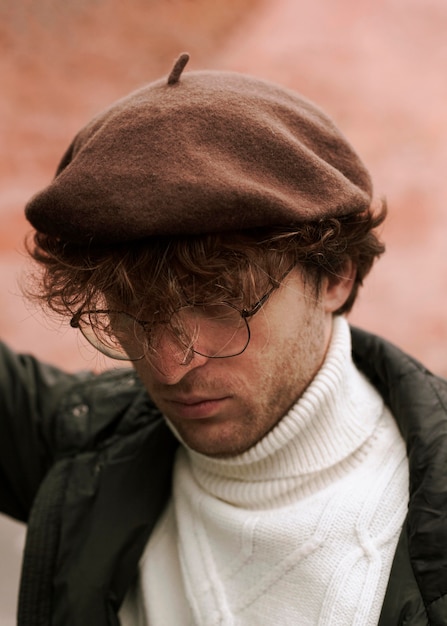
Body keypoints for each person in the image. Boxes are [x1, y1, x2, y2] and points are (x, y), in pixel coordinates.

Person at [2, 52, 446, 626]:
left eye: (219, 305)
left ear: (336, 275)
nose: (167, 367)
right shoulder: (83, 445)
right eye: (132, 314)